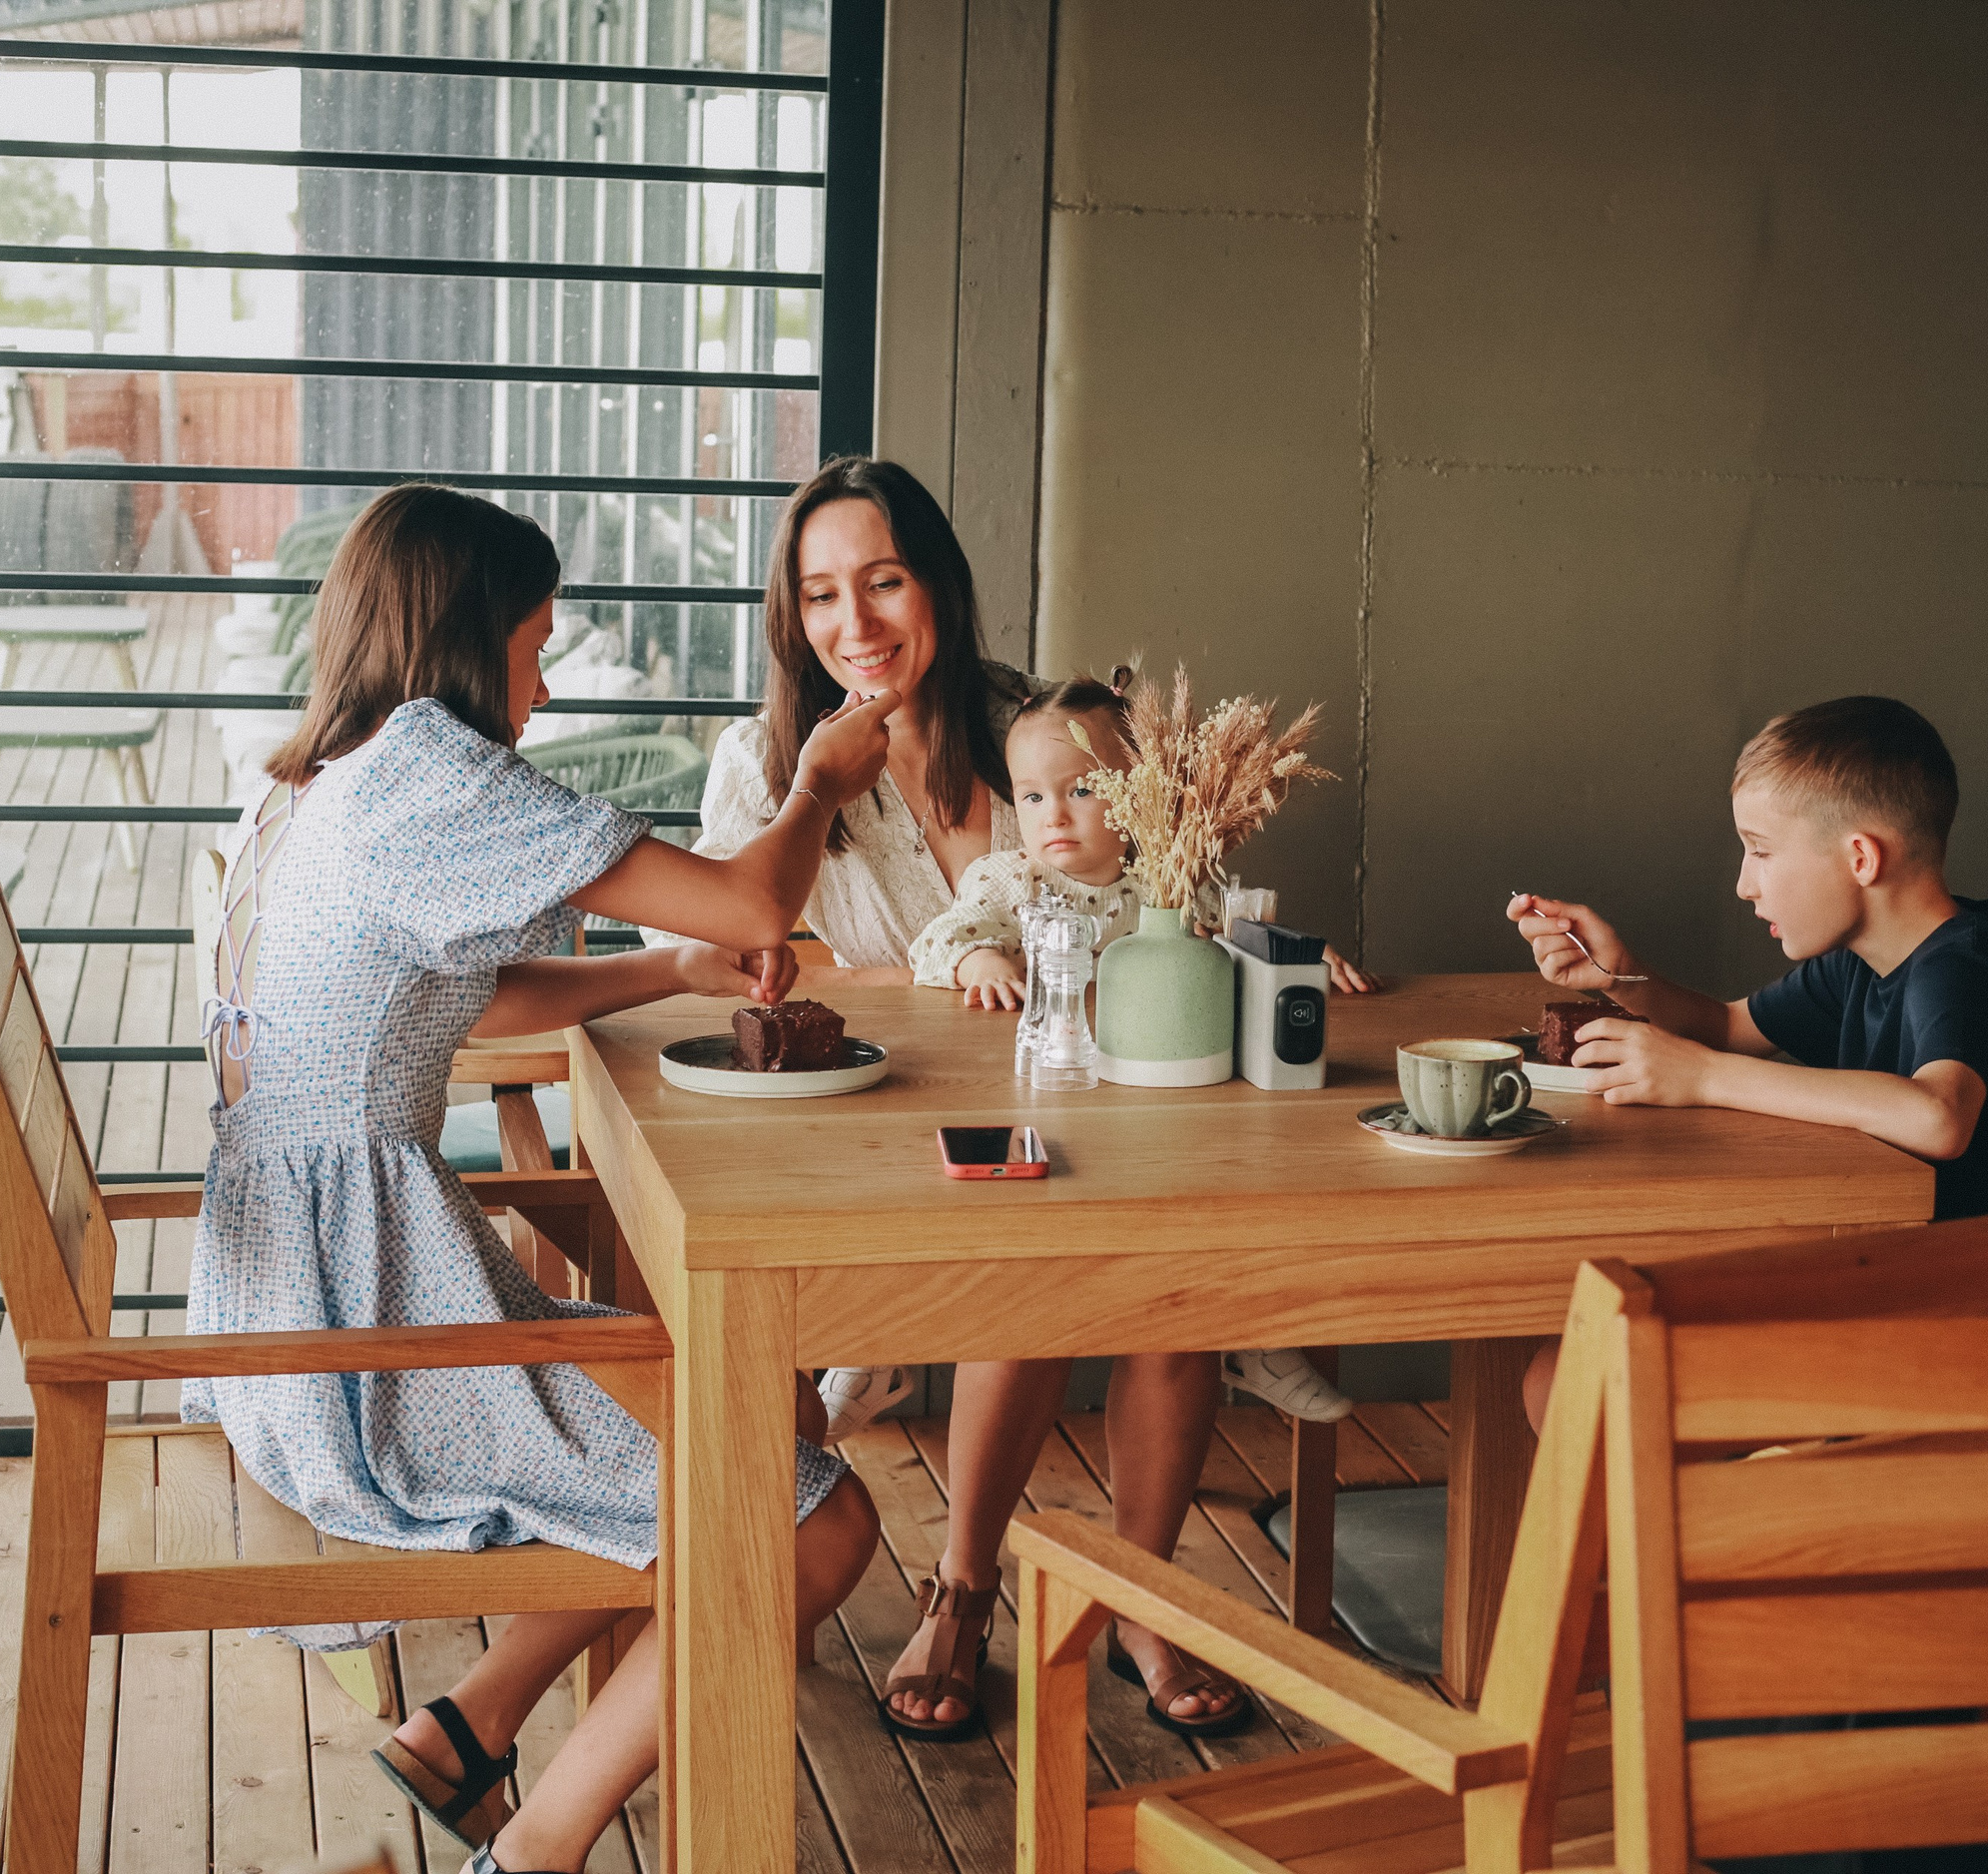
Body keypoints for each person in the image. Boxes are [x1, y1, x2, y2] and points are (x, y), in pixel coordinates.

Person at [189, 483, 891, 1874]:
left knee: (728, 1419)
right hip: (360, 1346)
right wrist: (815, 784)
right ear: (467, 642)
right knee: (811, 1514)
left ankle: (468, 1727)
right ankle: (540, 1852)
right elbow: (760, 901)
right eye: (536, 643)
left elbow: (471, 999)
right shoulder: (433, 775)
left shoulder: (327, 781)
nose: (549, 676)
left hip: (294, 1310)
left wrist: (662, 967)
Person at [661, 459, 1311, 1742]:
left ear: (937, 587)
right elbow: (721, 948)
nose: (857, 623)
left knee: (1165, 1293)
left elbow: (1168, 886)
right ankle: (961, 1591)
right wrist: (820, 801)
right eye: (822, 595)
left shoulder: (1043, 726)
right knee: (1024, 1258)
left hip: (1080, 1108)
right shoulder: (768, 757)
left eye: (884, 581)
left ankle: (1139, 1595)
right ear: (793, 617)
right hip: (874, 1128)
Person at [1509, 695, 1988, 1425]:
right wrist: (1621, 978)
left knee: (1582, 1382)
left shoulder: (1970, 966)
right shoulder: (1863, 958)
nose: (1743, 881)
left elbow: (1939, 1115)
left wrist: (1703, 1079)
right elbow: (1726, 1026)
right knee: (1568, 1372)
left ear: (1860, 856)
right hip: (1904, 1295)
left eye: (1760, 850)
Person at [908, 672, 1367, 1422]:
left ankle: (1248, 1334)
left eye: (1082, 789)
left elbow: (1246, 933)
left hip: (1163, 1119)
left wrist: (1307, 961)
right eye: (1030, 796)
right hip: (1061, 1113)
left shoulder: (1171, 878)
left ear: (1140, 793)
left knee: (1237, 1181)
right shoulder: (1011, 882)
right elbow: (936, 941)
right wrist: (979, 961)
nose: (1053, 814)